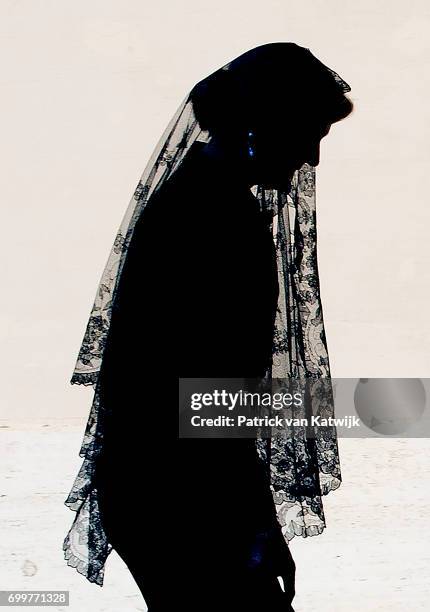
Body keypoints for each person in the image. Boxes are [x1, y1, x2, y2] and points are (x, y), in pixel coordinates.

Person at [63, 42, 353, 611]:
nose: (313, 157)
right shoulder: (214, 217)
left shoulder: (200, 199)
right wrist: (255, 525)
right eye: (310, 131)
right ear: (264, 123)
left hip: (162, 488)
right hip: (183, 496)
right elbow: (206, 397)